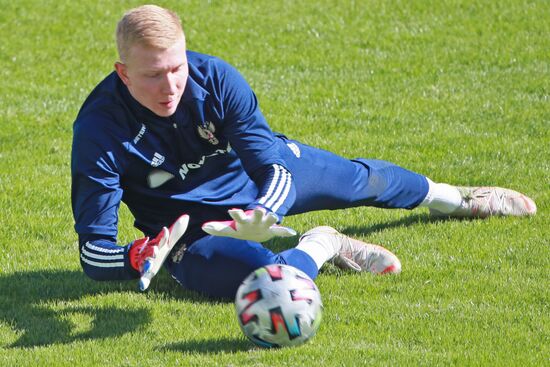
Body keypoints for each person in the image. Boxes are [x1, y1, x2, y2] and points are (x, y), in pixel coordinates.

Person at [71, 5, 537, 299]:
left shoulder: (216, 79)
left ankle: (456, 198)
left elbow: (272, 166)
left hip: (257, 184)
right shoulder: (98, 129)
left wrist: (259, 212)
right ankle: (323, 244)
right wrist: (139, 254)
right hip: (186, 229)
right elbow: (94, 255)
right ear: (123, 72)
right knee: (265, 282)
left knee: (363, 182)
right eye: (153, 75)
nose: (170, 85)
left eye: (177, 67)